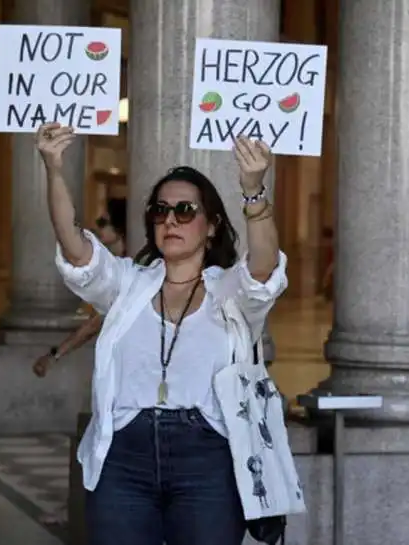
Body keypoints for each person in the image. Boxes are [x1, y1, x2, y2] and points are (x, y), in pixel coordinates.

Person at [36, 122, 301, 545]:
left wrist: (254, 191)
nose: (170, 220)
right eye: (160, 211)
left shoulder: (228, 290)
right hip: (123, 457)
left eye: (185, 211)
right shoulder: (127, 283)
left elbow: (264, 269)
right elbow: (75, 248)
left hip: (209, 459)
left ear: (211, 225)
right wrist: (53, 168)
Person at [32, 213, 127, 379]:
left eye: (103, 223)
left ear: (120, 229)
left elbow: (94, 324)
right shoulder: (111, 269)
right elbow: (94, 323)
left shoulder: (134, 272)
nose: (96, 229)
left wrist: (55, 356)